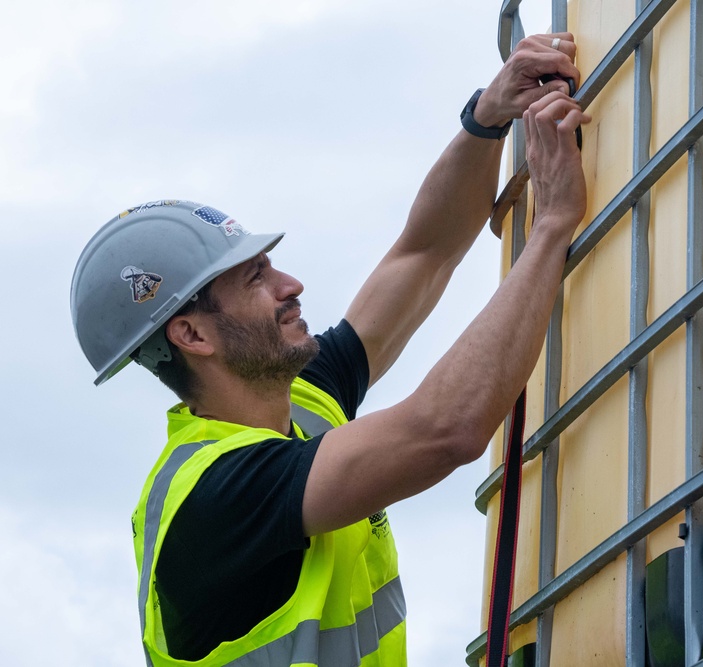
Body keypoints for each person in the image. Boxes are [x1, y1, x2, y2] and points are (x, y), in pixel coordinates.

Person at [70, 32, 589, 667]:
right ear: (193, 335)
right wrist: (552, 228)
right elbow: (445, 429)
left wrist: (485, 121)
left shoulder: (301, 403)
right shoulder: (212, 497)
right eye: (256, 279)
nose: (292, 286)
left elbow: (424, 255)